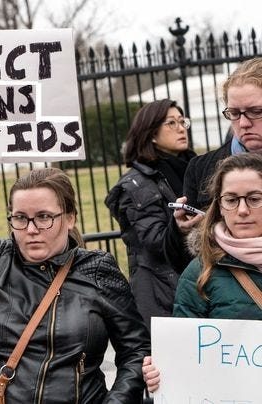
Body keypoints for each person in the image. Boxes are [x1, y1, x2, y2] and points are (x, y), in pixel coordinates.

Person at [0, 143, 150, 403]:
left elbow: (135, 350)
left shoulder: (97, 271)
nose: (31, 229)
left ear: (70, 218)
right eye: (20, 218)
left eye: (43, 217)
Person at [143, 152, 262, 393]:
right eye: (231, 200)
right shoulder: (199, 273)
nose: (242, 210)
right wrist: (161, 372)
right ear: (219, 206)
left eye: (254, 199)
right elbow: (184, 356)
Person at [105, 99, 196, 329]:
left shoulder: (195, 169)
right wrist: (179, 227)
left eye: (182, 121)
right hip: (163, 291)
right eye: (171, 123)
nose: (181, 128)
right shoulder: (136, 184)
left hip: (198, 282)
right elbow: (154, 240)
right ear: (152, 134)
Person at [165, 57, 262, 270]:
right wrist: (180, 229)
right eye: (234, 113)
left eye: (256, 112)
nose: (243, 123)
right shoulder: (201, 168)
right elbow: (181, 264)